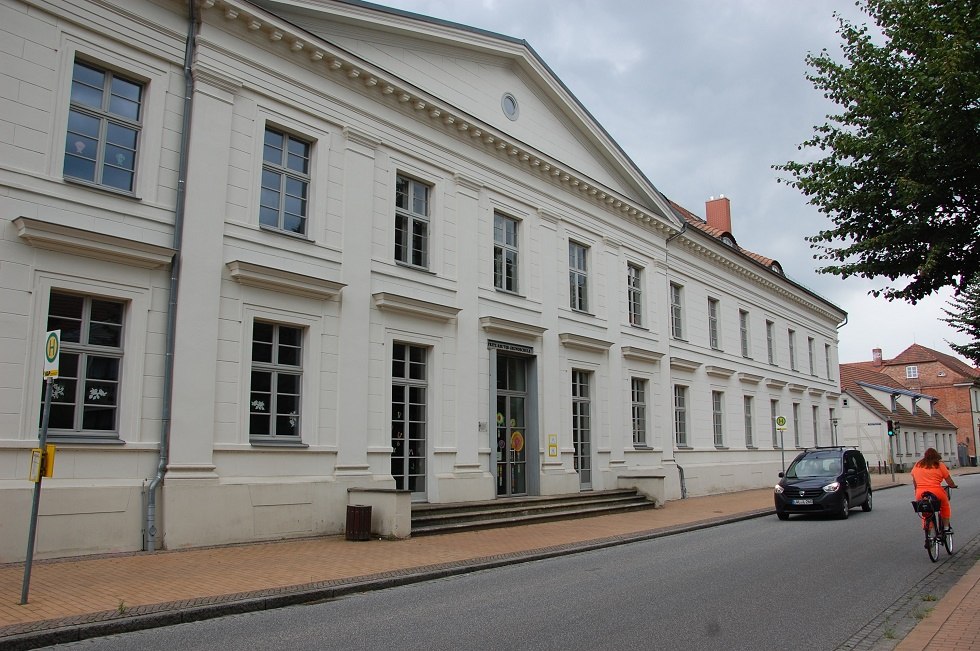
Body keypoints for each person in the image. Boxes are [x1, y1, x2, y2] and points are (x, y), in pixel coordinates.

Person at [911, 447, 957, 533]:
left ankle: (928, 529)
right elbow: (949, 480)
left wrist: (917, 490)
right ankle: (946, 527)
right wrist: (953, 485)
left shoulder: (917, 464)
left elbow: (914, 481)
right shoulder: (939, 465)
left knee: (925, 509)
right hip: (936, 491)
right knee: (944, 506)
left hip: (920, 493)